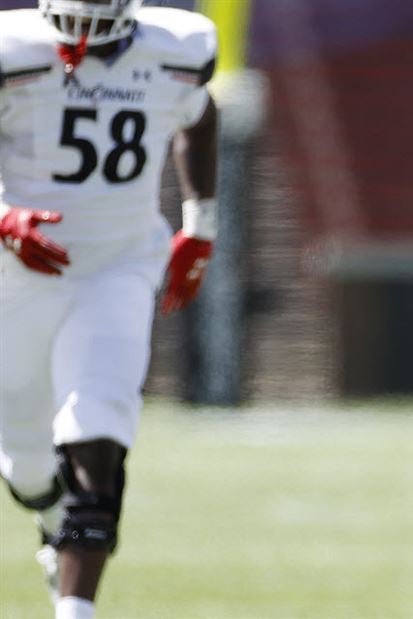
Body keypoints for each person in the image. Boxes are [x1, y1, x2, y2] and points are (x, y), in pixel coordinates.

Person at [0, 0, 218, 617]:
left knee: (99, 433)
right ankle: (49, 517)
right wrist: (5, 219)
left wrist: (200, 225)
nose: (84, 33)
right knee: (27, 469)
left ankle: (75, 608)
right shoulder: (12, 51)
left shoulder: (174, 48)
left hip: (119, 267)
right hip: (17, 275)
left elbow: (200, 117)